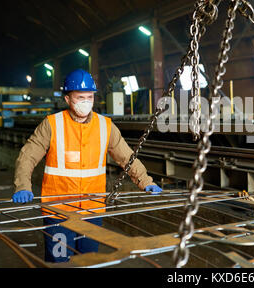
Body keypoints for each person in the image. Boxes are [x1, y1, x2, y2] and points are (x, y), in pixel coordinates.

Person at [11, 69, 162, 262]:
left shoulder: (105, 126)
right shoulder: (52, 124)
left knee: (90, 261)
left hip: (92, 209)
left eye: (89, 96)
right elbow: (27, 157)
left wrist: (145, 180)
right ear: (67, 99)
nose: (85, 101)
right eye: (80, 97)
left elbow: (126, 157)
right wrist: (23, 185)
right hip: (58, 210)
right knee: (60, 262)